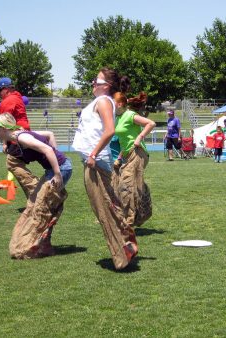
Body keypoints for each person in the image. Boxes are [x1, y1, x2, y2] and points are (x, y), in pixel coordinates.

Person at [72, 67, 137, 270]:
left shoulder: (103, 101)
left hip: (96, 160)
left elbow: (109, 131)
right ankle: (126, 245)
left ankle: (123, 252)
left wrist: (92, 154)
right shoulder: (100, 101)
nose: (92, 84)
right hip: (93, 159)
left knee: (106, 207)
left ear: (106, 86)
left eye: (96, 81)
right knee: (106, 206)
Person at [0, 113, 72, 259]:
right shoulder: (17, 137)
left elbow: (47, 150)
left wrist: (57, 172)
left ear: (3, 128)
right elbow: (49, 134)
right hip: (53, 170)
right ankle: (43, 244)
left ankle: (40, 245)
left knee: (42, 208)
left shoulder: (22, 137)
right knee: (35, 203)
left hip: (60, 170)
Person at [113, 91, 155, 229]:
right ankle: (143, 208)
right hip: (127, 154)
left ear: (119, 104)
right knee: (128, 186)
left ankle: (128, 223)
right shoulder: (118, 118)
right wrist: (119, 157)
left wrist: (140, 137)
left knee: (126, 186)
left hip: (138, 152)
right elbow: (124, 141)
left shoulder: (130, 115)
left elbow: (150, 123)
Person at [0, 77, 39, 198]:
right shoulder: (14, 98)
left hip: (17, 137)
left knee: (12, 163)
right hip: (21, 135)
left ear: (6, 89)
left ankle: (37, 191)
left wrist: (5, 143)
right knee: (14, 164)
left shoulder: (8, 101)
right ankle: (33, 197)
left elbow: (5, 123)